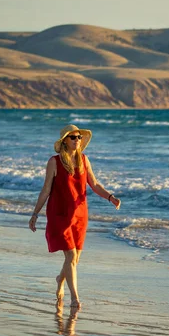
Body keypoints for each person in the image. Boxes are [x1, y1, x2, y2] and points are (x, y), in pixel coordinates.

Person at [29, 124, 121, 312]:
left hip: (80, 214)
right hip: (59, 213)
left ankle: (59, 279)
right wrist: (35, 213)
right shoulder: (54, 162)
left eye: (79, 137)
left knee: (75, 259)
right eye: (73, 137)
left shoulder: (84, 160)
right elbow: (46, 189)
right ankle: (75, 299)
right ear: (65, 141)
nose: (77, 140)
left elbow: (94, 184)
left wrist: (110, 197)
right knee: (70, 256)